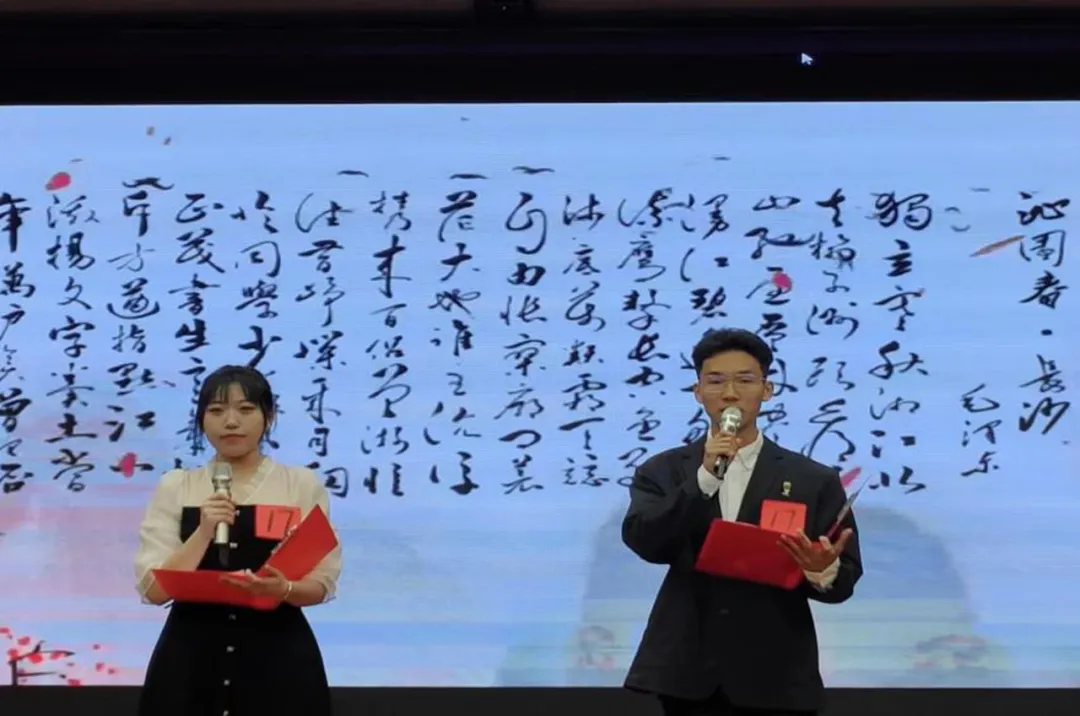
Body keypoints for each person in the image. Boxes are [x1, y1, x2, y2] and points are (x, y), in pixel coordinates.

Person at [621, 328, 862, 716]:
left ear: (767, 390)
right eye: (716, 381)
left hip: (777, 671)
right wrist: (703, 480)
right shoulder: (664, 470)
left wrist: (821, 570)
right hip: (688, 672)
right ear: (698, 391)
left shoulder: (811, 479)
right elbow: (647, 541)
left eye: (745, 380)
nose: (730, 393)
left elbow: (843, 581)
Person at [133, 365, 342, 716]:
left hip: (278, 657)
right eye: (216, 411)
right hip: (190, 659)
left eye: (245, 410)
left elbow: (322, 582)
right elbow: (154, 591)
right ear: (201, 420)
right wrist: (204, 531)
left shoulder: (299, 484)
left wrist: (284, 589)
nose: (231, 422)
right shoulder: (177, 485)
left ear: (268, 416)